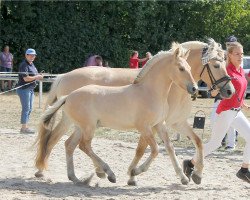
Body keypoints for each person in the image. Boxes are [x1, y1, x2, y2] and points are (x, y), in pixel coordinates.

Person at [183, 41, 250, 183]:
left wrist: (242, 103)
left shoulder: (240, 70)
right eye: (237, 53)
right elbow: (214, 92)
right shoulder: (226, 71)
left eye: (242, 53)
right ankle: (190, 164)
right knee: (215, 144)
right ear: (229, 55)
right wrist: (214, 91)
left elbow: (238, 91)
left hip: (236, 112)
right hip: (225, 112)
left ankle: (244, 170)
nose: (240, 56)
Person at [17, 48, 43, 134]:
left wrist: (38, 75)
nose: (32, 57)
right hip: (24, 90)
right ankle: (24, 128)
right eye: (30, 55)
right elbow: (26, 78)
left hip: (30, 89)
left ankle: (25, 127)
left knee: (30, 108)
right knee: (26, 108)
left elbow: (34, 75)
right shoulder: (24, 65)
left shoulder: (32, 65)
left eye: (34, 55)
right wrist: (37, 77)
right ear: (26, 55)